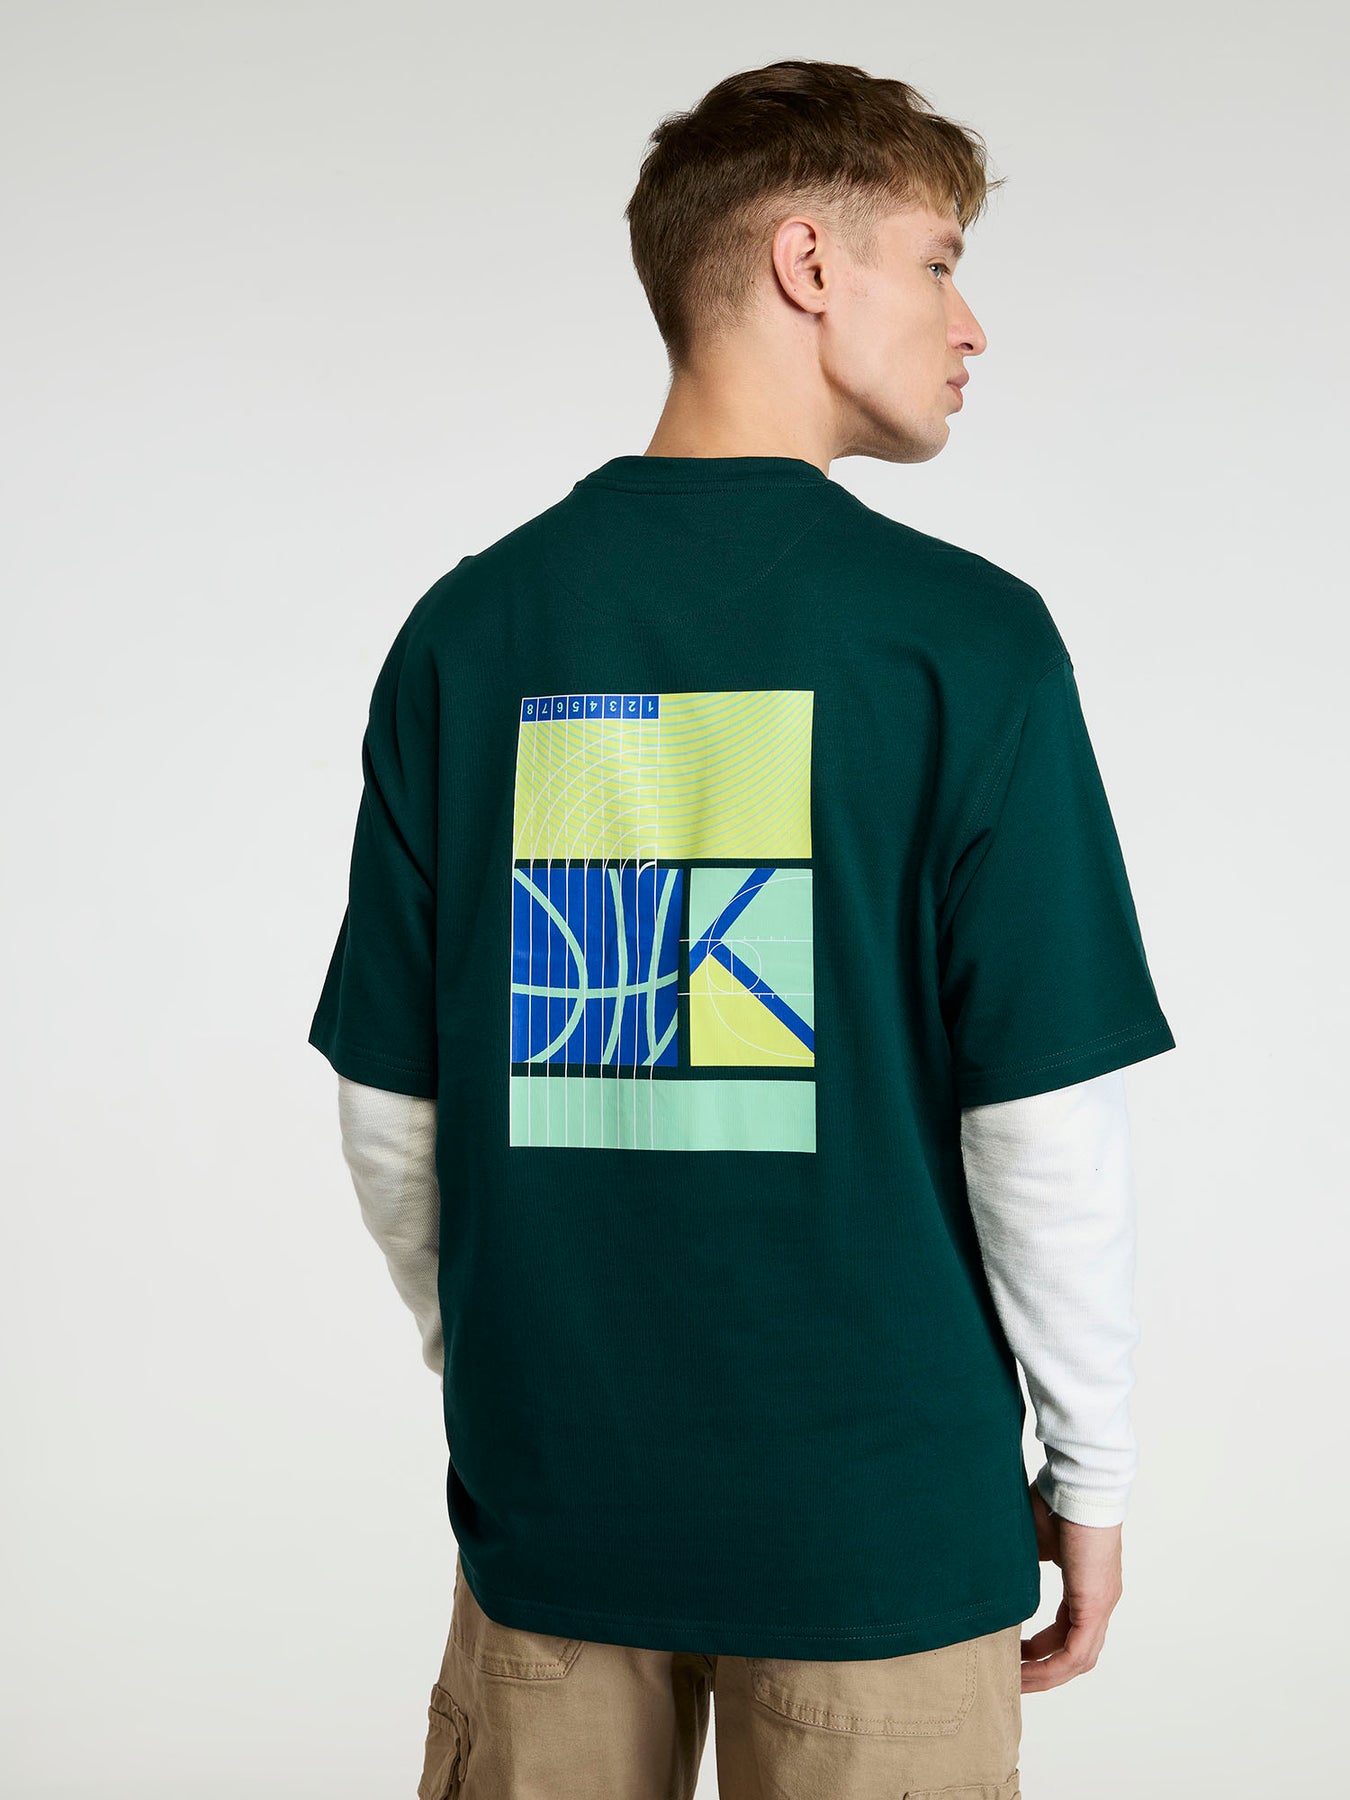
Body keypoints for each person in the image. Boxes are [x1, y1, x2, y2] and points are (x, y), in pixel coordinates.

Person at [308, 58, 1176, 1800]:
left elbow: (390, 1113)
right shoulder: (963, 643)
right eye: (937, 263)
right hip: (875, 1527)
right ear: (806, 261)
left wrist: (520, 1368)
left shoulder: (468, 631)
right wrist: (1088, 1474)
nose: (971, 325)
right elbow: (1036, 1124)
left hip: (556, 1512)